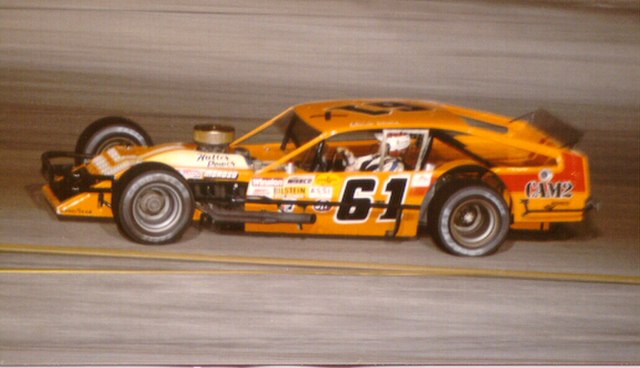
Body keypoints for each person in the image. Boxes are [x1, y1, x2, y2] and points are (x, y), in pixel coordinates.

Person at [338, 133, 411, 172]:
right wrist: (348, 155)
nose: (378, 144)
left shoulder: (395, 165)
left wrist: (355, 172)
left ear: (392, 146)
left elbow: (374, 179)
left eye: (381, 142)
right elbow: (356, 164)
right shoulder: (375, 157)